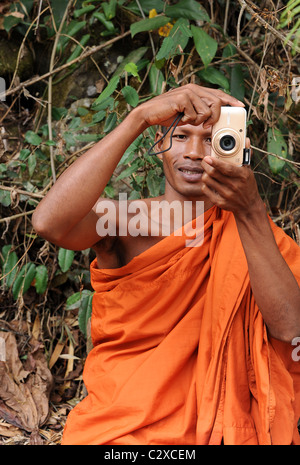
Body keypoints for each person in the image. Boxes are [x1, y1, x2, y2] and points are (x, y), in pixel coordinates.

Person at [32, 84, 300, 445]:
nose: (192, 152)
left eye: (211, 139)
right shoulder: (128, 221)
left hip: (220, 432)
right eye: (180, 135)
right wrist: (137, 118)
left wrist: (250, 210)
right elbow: (49, 223)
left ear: (237, 149)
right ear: (157, 144)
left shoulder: (255, 232)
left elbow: (290, 328)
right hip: (121, 429)